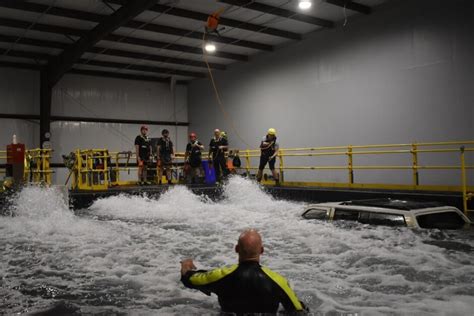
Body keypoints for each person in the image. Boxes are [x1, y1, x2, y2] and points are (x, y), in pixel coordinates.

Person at [180, 229, 308, 314]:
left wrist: (186, 264)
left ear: (236, 249)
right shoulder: (278, 281)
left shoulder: (220, 276)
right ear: (262, 250)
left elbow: (188, 279)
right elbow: (298, 311)